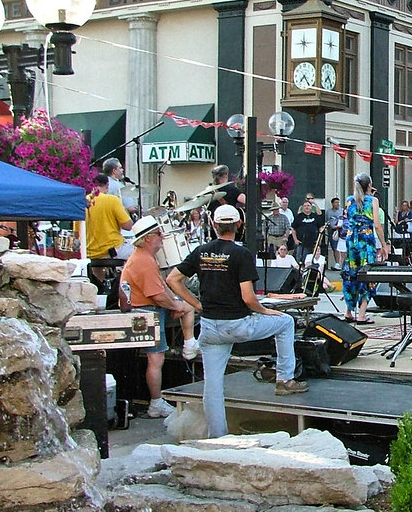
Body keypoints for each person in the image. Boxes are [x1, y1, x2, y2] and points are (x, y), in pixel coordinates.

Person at [166, 205, 308, 437]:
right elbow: (248, 298)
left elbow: (173, 279)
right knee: (286, 323)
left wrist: (196, 304)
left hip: (210, 327)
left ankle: (217, 438)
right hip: (238, 325)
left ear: (213, 225)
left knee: (212, 388)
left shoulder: (201, 251)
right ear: (239, 225)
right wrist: (265, 311)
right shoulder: (241, 254)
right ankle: (284, 379)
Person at [120, 216, 197, 418]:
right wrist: (175, 305)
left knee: (187, 307)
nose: (162, 237)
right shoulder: (143, 261)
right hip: (146, 312)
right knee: (156, 359)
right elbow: (158, 295)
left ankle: (190, 345)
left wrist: (177, 303)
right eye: (158, 234)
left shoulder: (145, 259)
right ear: (146, 239)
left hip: (150, 308)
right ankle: (156, 402)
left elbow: (162, 288)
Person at [339, 173, 389, 324]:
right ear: (369, 185)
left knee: (351, 274)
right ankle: (361, 314)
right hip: (366, 239)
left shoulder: (349, 200)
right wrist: (384, 245)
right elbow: (378, 226)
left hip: (352, 239)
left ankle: (348, 311)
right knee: (367, 275)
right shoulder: (373, 200)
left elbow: (348, 217)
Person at [85, 173, 134, 261]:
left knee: (98, 268)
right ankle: (126, 274)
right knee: (141, 249)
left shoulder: (83, 202)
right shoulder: (112, 200)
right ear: (107, 185)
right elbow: (128, 226)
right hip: (113, 250)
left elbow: (77, 234)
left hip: (91, 252)